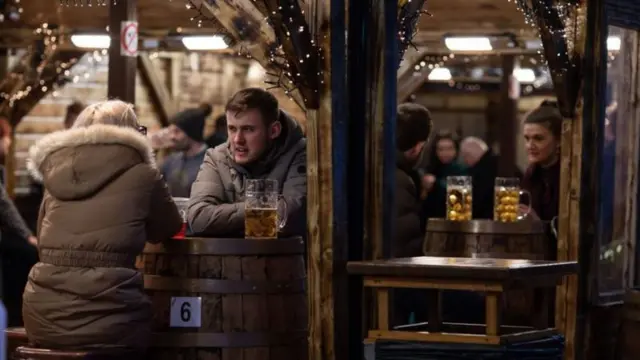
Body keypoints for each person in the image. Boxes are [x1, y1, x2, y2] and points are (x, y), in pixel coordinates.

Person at [22, 100, 182, 352]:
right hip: (112, 317)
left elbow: (43, 239)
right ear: (131, 135)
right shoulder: (143, 174)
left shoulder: (56, 175)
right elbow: (168, 227)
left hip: (42, 317)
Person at [187, 88, 306, 237]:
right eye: (232, 129)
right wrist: (264, 211)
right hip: (226, 259)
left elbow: (291, 215)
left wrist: (224, 221)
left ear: (274, 131)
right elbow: (199, 219)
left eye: (248, 129)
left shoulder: (299, 153)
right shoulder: (217, 157)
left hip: (282, 259)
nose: (237, 139)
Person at [392, 103, 432, 326]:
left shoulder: (379, 166)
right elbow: (404, 247)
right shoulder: (400, 180)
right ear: (418, 148)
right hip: (391, 287)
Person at [459, 137, 521, 219]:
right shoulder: (504, 162)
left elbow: (475, 203)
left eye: (465, 157)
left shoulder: (481, 170)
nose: (465, 161)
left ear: (469, 154)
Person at [521, 100, 562, 221]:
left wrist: (537, 224)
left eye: (538, 138)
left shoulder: (568, 177)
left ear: (559, 140)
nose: (530, 145)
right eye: (527, 139)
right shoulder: (531, 175)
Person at [160, 103, 211, 197]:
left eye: (177, 132)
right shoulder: (171, 161)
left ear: (192, 133)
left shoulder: (211, 163)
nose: (172, 137)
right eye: (171, 131)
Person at [420, 130, 467, 219]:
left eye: (449, 148)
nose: (445, 153)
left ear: (456, 150)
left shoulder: (461, 170)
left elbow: (458, 195)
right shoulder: (431, 169)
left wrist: (435, 183)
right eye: (441, 149)